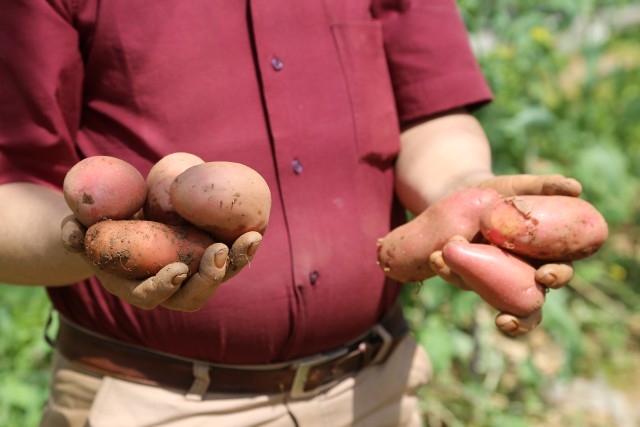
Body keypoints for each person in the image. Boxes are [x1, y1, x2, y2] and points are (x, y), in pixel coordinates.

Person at [0, 0, 579, 426]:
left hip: (375, 392)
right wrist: (91, 246)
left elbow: (431, 113)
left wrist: (468, 192)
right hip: (150, 404)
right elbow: (9, 191)